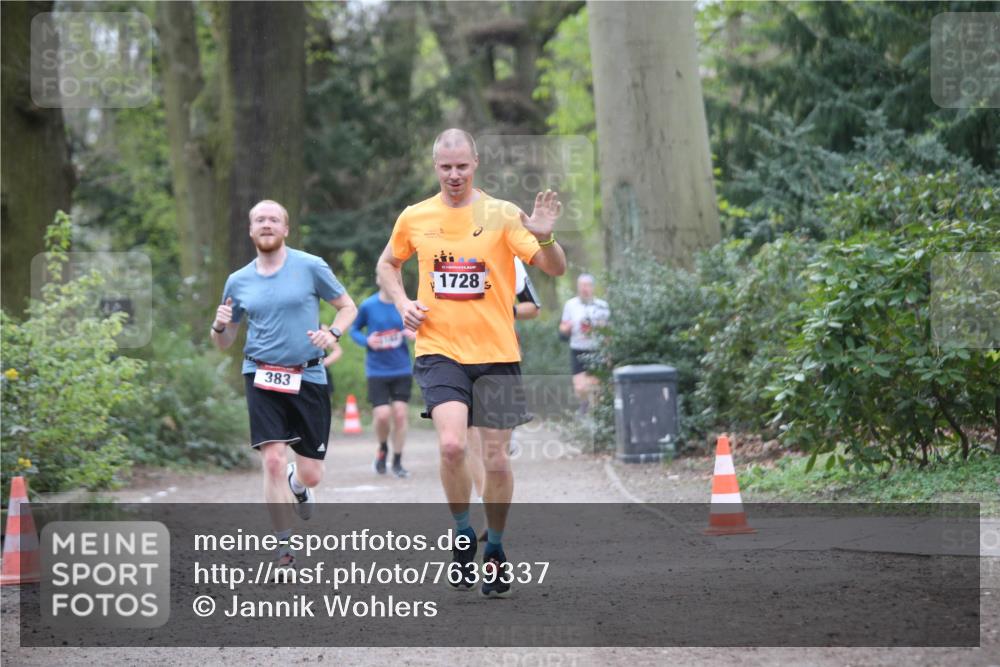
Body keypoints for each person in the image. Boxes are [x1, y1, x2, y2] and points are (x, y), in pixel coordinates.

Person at [376, 129, 566, 598]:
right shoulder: (415, 216)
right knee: (452, 447)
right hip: (440, 351)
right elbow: (387, 264)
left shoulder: (502, 214)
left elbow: (555, 267)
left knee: (498, 459)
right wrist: (401, 302)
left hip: (498, 354)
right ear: (435, 166)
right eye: (446, 167)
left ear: (475, 163)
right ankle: (463, 531)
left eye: (462, 166)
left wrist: (547, 238)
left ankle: (495, 548)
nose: (454, 175)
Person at [211, 199, 357, 567]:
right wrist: (219, 325)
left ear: (285, 229)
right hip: (260, 374)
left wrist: (334, 333)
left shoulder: (310, 267)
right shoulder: (238, 281)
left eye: (274, 219)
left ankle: (299, 484)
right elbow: (225, 341)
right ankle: (284, 548)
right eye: (259, 219)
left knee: (312, 473)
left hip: (307, 373)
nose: (266, 224)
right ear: (250, 229)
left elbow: (347, 306)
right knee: (273, 460)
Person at [466, 256, 540, 506]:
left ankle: (510, 428)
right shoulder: (447, 249)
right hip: (456, 352)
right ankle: (482, 496)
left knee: (494, 439)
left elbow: (533, 307)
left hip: (500, 351)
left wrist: (508, 310)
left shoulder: (508, 257)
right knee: (470, 428)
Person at [349, 273, 416, 478]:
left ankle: (397, 460)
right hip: (377, 370)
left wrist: (415, 334)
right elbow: (354, 330)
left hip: (401, 368)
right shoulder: (368, 306)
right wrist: (367, 341)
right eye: (384, 276)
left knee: (400, 414)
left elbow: (420, 328)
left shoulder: (405, 305)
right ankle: (382, 448)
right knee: (382, 415)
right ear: (378, 279)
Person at [559, 273, 609, 414]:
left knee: (596, 386)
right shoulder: (570, 305)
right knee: (580, 387)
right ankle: (585, 404)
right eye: (581, 286)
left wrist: (608, 351)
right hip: (577, 349)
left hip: (596, 349)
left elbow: (608, 332)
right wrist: (566, 328)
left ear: (592, 287)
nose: (584, 289)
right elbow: (562, 329)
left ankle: (595, 415)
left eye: (587, 285)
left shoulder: (602, 306)